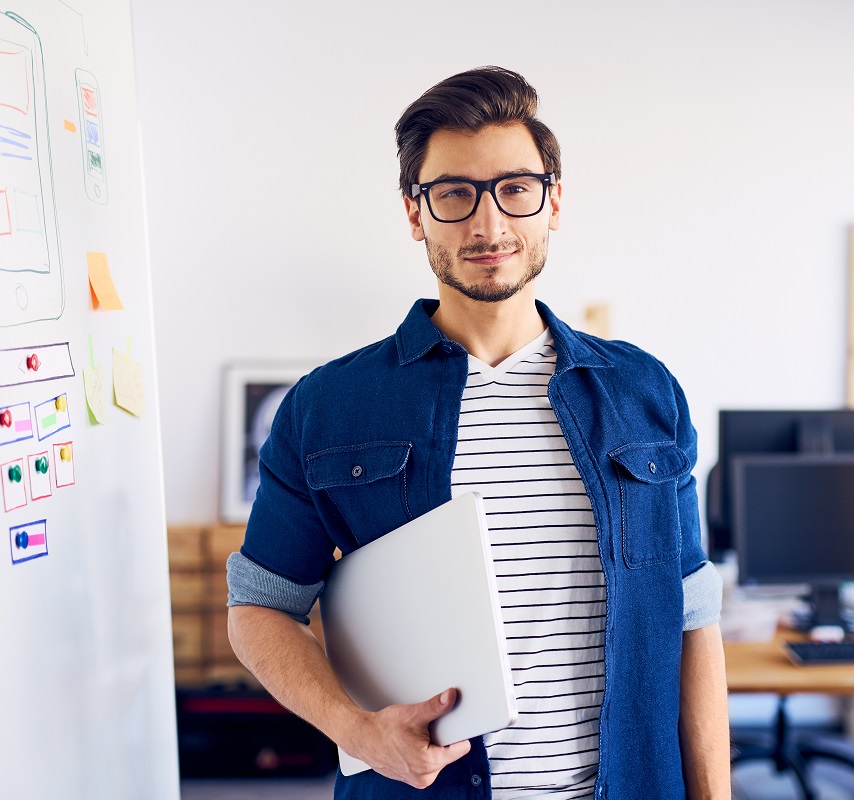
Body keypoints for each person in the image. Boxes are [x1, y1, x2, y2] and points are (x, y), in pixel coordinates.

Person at [227, 66, 731, 799]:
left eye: (514, 189)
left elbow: (693, 618)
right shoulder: (327, 406)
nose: (488, 224)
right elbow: (260, 610)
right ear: (414, 212)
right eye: (454, 194)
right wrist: (356, 729)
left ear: (553, 201)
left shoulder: (643, 392)